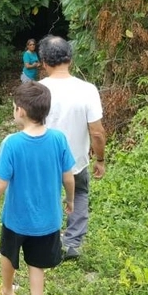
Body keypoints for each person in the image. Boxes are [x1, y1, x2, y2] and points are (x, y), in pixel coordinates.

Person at [0, 82, 75, 295]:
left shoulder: (11, 143)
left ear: (20, 111)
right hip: (48, 219)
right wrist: (70, 199)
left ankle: (7, 292)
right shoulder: (59, 139)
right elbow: (69, 177)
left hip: (16, 219)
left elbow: (0, 183)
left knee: (8, 254)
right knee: (37, 263)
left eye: (13, 107)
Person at [38, 35, 107, 260]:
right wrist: (100, 159)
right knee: (79, 194)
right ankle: (72, 243)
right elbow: (97, 132)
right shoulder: (87, 90)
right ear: (70, 58)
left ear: (44, 62)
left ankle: (46, 240)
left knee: (45, 196)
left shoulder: (37, 90)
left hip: (43, 159)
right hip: (76, 160)